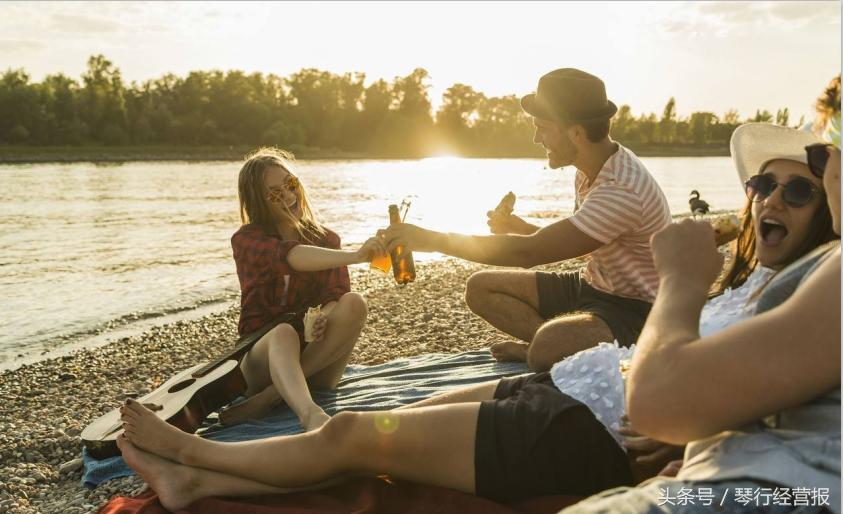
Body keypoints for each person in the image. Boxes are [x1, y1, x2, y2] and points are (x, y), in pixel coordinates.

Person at [111, 124, 836, 512]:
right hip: (586, 388)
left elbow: (787, 402)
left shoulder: (810, 295)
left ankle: (196, 463)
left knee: (358, 433)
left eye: (797, 193)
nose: (770, 199)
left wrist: (693, 423)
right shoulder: (767, 279)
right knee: (379, 427)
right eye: (761, 184)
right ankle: (206, 484)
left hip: (586, 426)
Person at [556, 77, 841, 514]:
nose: (832, 167)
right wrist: (704, 450)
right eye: (763, 185)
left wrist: (680, 280)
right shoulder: (807, 274)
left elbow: (659, 403)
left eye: (827, 155)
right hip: (731, 475)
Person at [382, 68, 672, 372]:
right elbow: (587, 243)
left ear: (575, 132)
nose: (536, 137)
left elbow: (528, 253)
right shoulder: (591, 167)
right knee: (480, 288)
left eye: (542, 128)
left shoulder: (620, 190)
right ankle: (552, 347)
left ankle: (547, 349)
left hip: (636, 310)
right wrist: (521, 229)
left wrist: (430, 240)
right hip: (593, 285)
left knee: (548, 345)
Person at [222, 148, 386, 430]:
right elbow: (292, 256)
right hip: (261, 363)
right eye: (275, 193)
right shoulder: (247, 240)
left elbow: (335, 295)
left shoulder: (326, 238)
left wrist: (325, 313)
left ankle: (270, 399)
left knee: (354, 302)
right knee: (283, 333)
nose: (288, 196)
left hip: (316, 364)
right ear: (258, 202)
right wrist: (356, 256)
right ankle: (310, 414)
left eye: (291, 184)